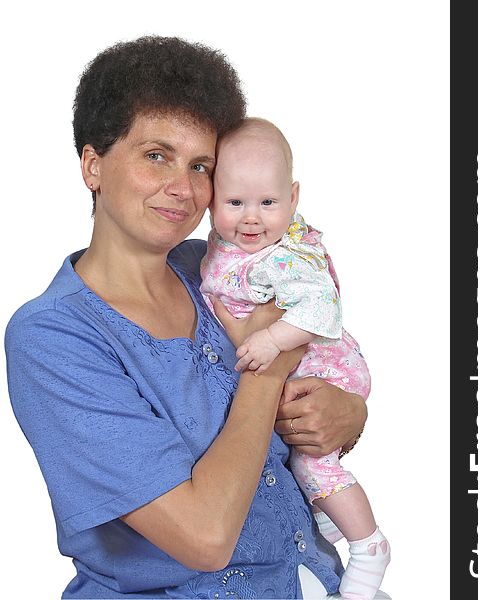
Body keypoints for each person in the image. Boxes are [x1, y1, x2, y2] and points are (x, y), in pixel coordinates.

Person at [3, 36, 379, 599]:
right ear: (92, 165)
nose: (182, 188)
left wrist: (346, 414)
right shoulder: (54, 339)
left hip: (320, 580)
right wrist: (268, 368)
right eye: (157, 155)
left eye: (201, 165)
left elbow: (319, 336)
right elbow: (204, 538)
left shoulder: (213, 269)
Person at [200, 118, 390, 599]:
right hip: (300, 367)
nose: (251, 218)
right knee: (301, 460)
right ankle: (324, 517)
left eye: (268, 202)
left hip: (322, 366)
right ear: (210, 198)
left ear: (294, 197)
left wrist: (270, 341)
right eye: (234, 202)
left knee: (312, 466)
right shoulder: (231, 248)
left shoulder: (285, 256)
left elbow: (322, 308)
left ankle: (368, 547)